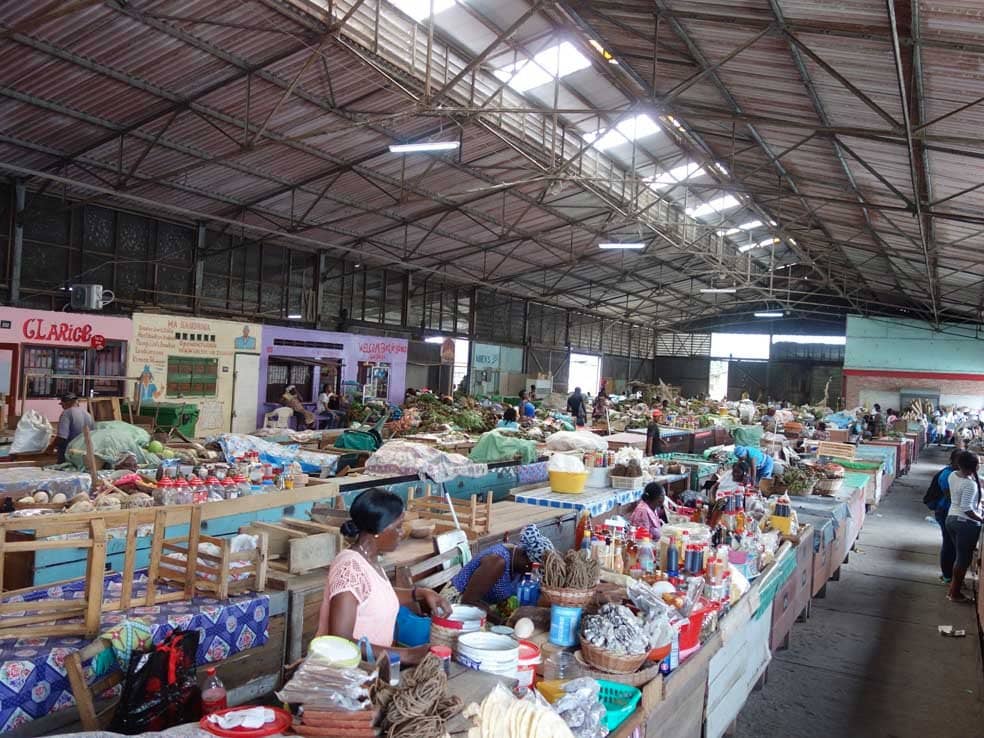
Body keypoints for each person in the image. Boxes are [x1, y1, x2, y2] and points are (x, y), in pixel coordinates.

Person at [317, 489, 450, 660]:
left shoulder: (369, 559)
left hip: (371, 667)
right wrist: (407, 655)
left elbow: (375, 596)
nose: (402, 533)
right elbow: (341, 641)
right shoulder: (349, 568)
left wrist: (420, 593)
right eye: (398, 527)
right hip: (346, 673)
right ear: (377, 531)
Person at [447, 524, 553, 609]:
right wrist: (502, 622)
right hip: (456, 606)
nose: (533, 571)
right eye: (534, 567)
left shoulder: (519, 564)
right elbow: (469, 601)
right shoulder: (497, 562)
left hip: (482, 607)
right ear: (526, 557)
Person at [945, 451, 983, 602]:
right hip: (965, 523)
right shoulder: (970, 484)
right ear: (974, 466)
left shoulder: (953, 475)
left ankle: (955, 587)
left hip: (951, 520)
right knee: (963, 560)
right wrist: (981, 519)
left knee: (960, 557)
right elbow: (967, 508)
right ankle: (954, 593)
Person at [928, 449, 962, 584]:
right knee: (949, 543)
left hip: (949, 511)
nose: (961, 463)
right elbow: (951, 496)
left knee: (951, 544)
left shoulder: (954, 473)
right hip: (945, 511)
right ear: (952, 460)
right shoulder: (948, 475)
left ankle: (948, 574)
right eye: (959, 461)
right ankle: (947, 575)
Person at [54, 392, 95, 464]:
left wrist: (51, 447)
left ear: (66, 403)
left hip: (69, 453)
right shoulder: (88, 414)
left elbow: (62, 437)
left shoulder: (67, 413)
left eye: (62, 405)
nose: (62, 407)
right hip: (83, 452)